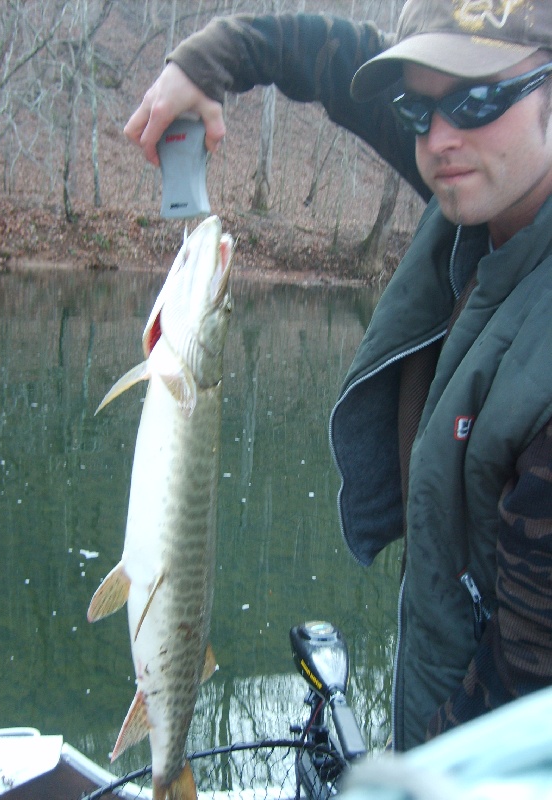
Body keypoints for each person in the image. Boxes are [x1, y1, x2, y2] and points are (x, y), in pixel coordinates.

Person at [124, 0, 552, 752]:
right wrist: (206, 62)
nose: (441, 135)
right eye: (416, 108)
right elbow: (334, 56)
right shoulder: (488, 175)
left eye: (477, 98)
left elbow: (529, 683)